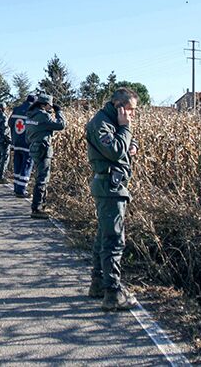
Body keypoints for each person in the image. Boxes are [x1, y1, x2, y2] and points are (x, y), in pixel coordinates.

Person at [86, 88, 139, 311]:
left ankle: (98, 283)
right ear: (119, 106)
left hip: (113, 185)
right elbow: (115, 150)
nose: (132, 115)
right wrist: (125, 129)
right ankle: (113, 292)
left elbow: (127, 144)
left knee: (103, 236)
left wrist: (131, 143)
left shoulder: (112, 121)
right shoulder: (101, 123)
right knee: (114, 239)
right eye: (130, 110)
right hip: (109, 187)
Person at [26, 93, 65, 219]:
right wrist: (59, 112)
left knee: (39, 177)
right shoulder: (43, 116)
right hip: (43, 149)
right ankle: (37, 208)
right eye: (50, 105)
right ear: (44, 104)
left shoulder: (30, 115)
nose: (51, 107)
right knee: (43, 179)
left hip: (34, 147)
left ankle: (40, 206)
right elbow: (61, 125)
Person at [9, 94, 35, 197]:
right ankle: (21, 190)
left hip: (16, 141)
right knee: (26, 165)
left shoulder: (16, 109)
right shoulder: (32, 111)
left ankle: (16, 187)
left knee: (17, 164)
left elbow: (10, 123)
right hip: (27, 142)